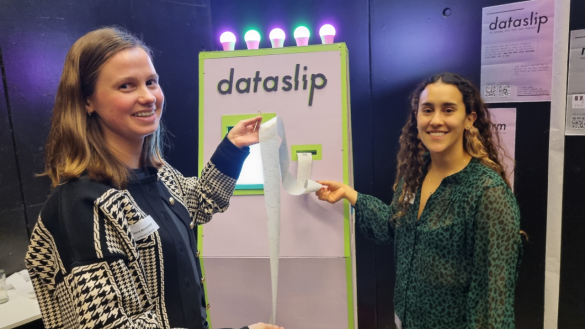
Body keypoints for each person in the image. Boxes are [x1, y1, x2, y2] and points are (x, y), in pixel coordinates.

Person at [25, 27, 283, 329]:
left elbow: (199, 202)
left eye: (151, 82)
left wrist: (232, 147)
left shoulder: (157, 175)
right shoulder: (83, 205)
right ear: (87, 101)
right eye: (126, 86)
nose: (148, 97)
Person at [317, 72, 522, 329]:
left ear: (469, 119)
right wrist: (350, 194)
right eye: (427, 110)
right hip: (405, 319)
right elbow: (394, 225)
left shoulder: (486, 192)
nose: (436, 120)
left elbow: (494, 298)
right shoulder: (415, 174)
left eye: (448, 110)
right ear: (417, 117)